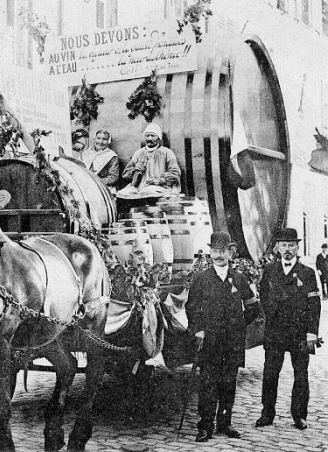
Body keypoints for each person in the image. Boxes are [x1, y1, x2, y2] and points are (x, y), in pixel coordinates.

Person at [186, 231, 261, 442]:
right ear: (210, 252)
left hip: (232, 342)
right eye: (215, 251)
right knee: (208, 384)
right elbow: (191, 308)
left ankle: (225, 423)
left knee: (228, 383)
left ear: (230, 252)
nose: (219, 255)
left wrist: (238, 325)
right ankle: (205, 426)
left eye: (223, 251)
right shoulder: (201, 279)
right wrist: (198, 330)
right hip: (209, 341)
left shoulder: (238, 278)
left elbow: (253, 307)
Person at [255, 228, 321, 430]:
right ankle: (267, 414)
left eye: (291, 245)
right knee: (270, 373)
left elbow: (314, 305)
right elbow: (264, 297)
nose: (287, 249)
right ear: (277, 247)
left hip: (299, 332)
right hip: (275, 331)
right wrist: (271, 317)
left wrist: (311, 333)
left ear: (297, 247)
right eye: (283, 245)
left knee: (300, 374)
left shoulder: (307, 273)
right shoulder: (270, 271)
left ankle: (299, 415)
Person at [117, 123, 181, 199]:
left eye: (153, 136)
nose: (149, 139)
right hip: (139, 188)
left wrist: (161, 180)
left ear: (159, 138)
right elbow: (125, 174)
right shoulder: (138, 153)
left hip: (161, 187)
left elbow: (175, 173)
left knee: (148, 191)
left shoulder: (167, 152)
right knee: (122, 193)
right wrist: (135, 169)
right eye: (147, 136)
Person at [81, 128, 120, 193]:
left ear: (108, 141)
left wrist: (95, 181)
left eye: (104, 139)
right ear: (94, 138)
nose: (100, 142)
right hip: (85, 184)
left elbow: (113, 177)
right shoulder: (86, 153)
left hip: (102, 186)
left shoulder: (112, 156)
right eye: (98, 138)